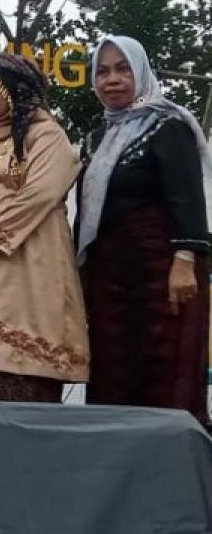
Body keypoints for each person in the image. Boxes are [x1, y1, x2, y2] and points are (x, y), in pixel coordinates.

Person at [0, 53, 89, 402]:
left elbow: (40, 194)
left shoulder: (45, 134)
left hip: (26, 266)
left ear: (18, 90)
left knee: (20, 373)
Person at [77, 36, 210, 423]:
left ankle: (169, 468)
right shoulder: (97, 137)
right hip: (110, 274)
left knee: (164, 364)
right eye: (102, 71)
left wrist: (185, 260)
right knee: (112, 367)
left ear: (141, 72)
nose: (112, 80)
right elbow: (87, 207)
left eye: (122, 69)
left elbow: (187, 195)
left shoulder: (169, 125)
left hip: (162, 272)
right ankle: (116, 467)